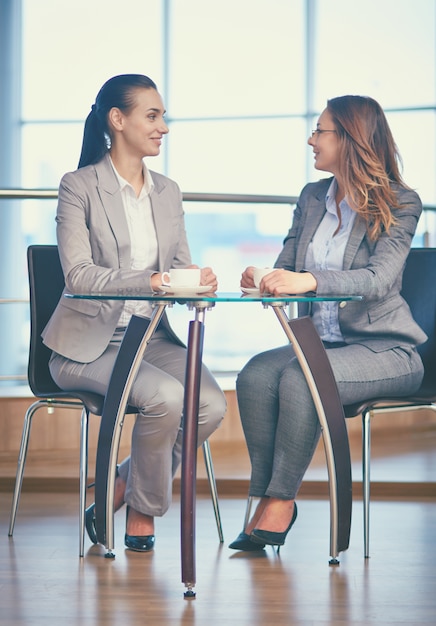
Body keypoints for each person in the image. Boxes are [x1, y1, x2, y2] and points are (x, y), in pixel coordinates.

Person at [229, 95, 426, 552]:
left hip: (386, 349)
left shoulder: (401, 202)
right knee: (255, 376)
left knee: (302, 381)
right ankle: (263, 496)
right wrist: (264, 277)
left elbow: (377, 281)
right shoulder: (312, 197)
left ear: (351, 139)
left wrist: (308, 279)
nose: (310, 139)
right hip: (323, 344)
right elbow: (288, 261)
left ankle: (281, 500)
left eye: (320, 131)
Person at [42, 74, 226, 552]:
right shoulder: (78, 186)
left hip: (152, 338)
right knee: (166, 396)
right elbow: (78, 276)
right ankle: (142, 512)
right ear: (117, 120)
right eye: (153, 115)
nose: (163, 126)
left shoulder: (168, 191)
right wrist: (150, 281)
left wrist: (195, 284)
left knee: (211, 404)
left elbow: (178, 267)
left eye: (163, 115)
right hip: (86, 347)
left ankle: (121, 487)